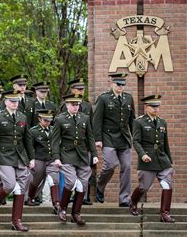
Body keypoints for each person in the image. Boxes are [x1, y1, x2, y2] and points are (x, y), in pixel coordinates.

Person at [0, 90, 32, 232]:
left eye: (16, 101)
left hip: (20, 156)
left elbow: (27, 139)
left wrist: (31, 158)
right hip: (3, 156)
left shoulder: (22, 116)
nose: (14, 103)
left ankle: (16, 221)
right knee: (9, 184)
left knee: (21, 189)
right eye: (12, 101)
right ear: (5, 102)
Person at [51, 93, 98, 226]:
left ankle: (76, 213)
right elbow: (55, 141)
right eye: (73, 104)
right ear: (67, 105)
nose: (76, 107)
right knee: (70, 182)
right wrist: (56, 158)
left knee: (83, 185)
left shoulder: (85, 118)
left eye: (77, 104)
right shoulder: (60, 119)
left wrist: (94, 154)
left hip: (82, 155)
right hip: (67, 154)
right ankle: (63, 208)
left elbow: (90, 137)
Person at [129, 94, 175, 223]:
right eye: (153, 106)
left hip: (162, 159)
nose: (156, 109)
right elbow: (136, 141)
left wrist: (169, 161)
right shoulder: (139, 122)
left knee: (167, 185)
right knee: (144, 187)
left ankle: (165, 213)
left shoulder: (162, 122)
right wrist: (142, 154)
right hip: (147, 159)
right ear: (146, 107)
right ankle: (133, 202)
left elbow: (165, 143)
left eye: (157, 106)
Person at [93, 73, 135, 207]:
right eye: (118, 84)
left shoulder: (128, 98)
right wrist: (98, 139)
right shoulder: (104, 98)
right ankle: (100, 185)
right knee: (110, 165)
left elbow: (132, 120)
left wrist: (136, 137)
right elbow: (97, 120)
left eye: (123, 84)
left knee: (127, 167)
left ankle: (124, 198)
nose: (121, 87)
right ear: (112, 83)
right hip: (108, 137)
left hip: (124, 138)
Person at [27, 109, 60, 214]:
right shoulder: (33, 131)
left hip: (51, 159)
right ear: (39, 119)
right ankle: (30, 197)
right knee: (36, 180)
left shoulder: (54, 129)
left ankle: (56, 203)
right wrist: (31, 160)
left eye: (50, 120)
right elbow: (30, 147)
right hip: (39, 158)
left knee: (53, 179)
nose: (48, 123)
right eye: (46, 120)